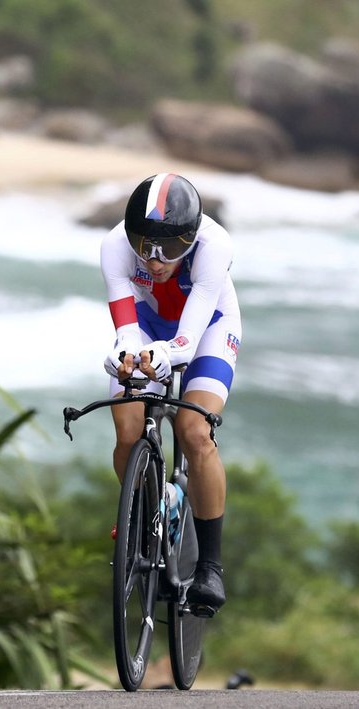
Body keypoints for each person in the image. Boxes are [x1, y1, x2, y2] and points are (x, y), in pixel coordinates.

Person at [100, 172, 241, 612]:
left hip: (209, 330)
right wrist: (124, 353)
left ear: (191, 238)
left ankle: (211, 567)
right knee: (127, 427)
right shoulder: (114, 245)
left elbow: (188, 337)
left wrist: (170, 354)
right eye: (146, 246)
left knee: (194, 431)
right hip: (149, 327)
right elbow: (126, 326)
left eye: (171, 249)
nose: (157, 260)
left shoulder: (214, 246)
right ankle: (145, 517)